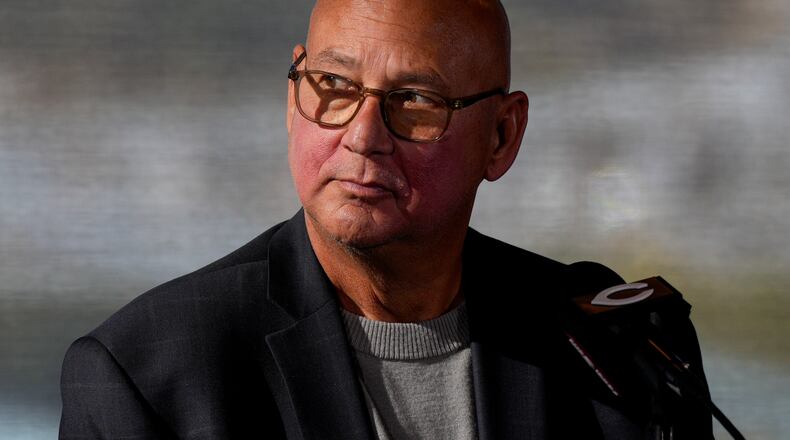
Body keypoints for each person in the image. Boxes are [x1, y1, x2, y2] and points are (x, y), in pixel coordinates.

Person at [59, 0, 713, 438]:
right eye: (335, 88)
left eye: (415, 100)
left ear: (502, 135)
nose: (364, 136)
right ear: (294, 96)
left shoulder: (615, 343)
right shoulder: (149, 372)